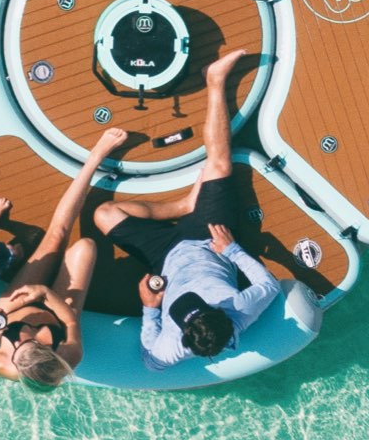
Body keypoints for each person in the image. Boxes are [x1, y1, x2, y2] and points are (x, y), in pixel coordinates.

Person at [93, 50, 280, 370]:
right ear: (224, 312)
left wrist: (150, 309)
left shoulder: (174, 348)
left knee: (103, 214)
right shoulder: (241, 308)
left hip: (163, 259)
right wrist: (232, 251)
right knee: (220, 164)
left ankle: (182, 206)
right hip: (210, 241)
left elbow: (150, 362)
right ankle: (215, 80)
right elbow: (269, 286)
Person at [0, 126, 128, 387]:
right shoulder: (70, 355)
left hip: (16, 304)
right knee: (86, 246)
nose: (22, 338)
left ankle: (95, 158)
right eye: (30, 343)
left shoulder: (1, 364)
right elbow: (68, 319)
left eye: (18, 344)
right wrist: (44, 294)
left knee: (58, 234)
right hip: (59, 308)